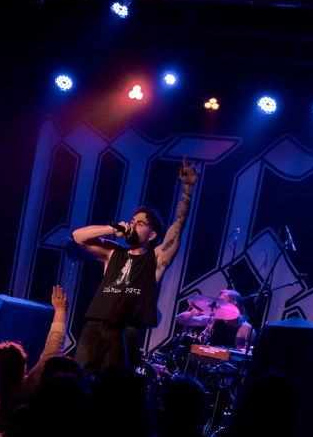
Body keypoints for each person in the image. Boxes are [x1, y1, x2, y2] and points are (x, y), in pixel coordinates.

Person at [71, 157, 198, 375]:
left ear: (153, 234)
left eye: (140, 224)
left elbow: (178, 226)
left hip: (127, 329)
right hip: (94, 325)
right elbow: (78, 236)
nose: (133, 226)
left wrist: (187, 189)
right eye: (133, 222)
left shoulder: (156, 259)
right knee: (80, 379)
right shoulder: (113, 252)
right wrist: (112, 229)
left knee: (115, 385)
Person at [174, 289, 252, 350]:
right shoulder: (214, 319)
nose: (219, 303)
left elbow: (249, 354)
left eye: (222, 300)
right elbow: (179, 320)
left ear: (233, 304)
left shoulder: (245, 328)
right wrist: (192, 313)